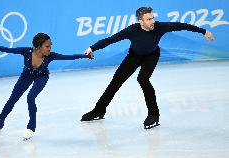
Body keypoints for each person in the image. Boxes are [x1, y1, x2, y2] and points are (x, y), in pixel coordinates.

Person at [81, 7, 215, 129]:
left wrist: (203, 31)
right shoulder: (132, 30)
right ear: (141, 21)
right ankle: (99, 110)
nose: (152, 21)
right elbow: (110, 40)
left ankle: (153, 115)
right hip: (134, 56)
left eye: (153, 18)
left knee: (143, 79)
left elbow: (182, 26)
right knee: (115, 81)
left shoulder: (160, 27)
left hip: (152, 55)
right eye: (149, 19)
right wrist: (92, 48)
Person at [0, 32, 93, 140]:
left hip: (41, 77)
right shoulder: (26, 51)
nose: (50, 49)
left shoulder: (50, 56)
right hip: (27, 75)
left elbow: (69, 57)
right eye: (47, 46)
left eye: (50, 46)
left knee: (30, 97)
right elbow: (7, 49)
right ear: (38, 47)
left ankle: (31, 127)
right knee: (13, 99)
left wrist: (85, 55)